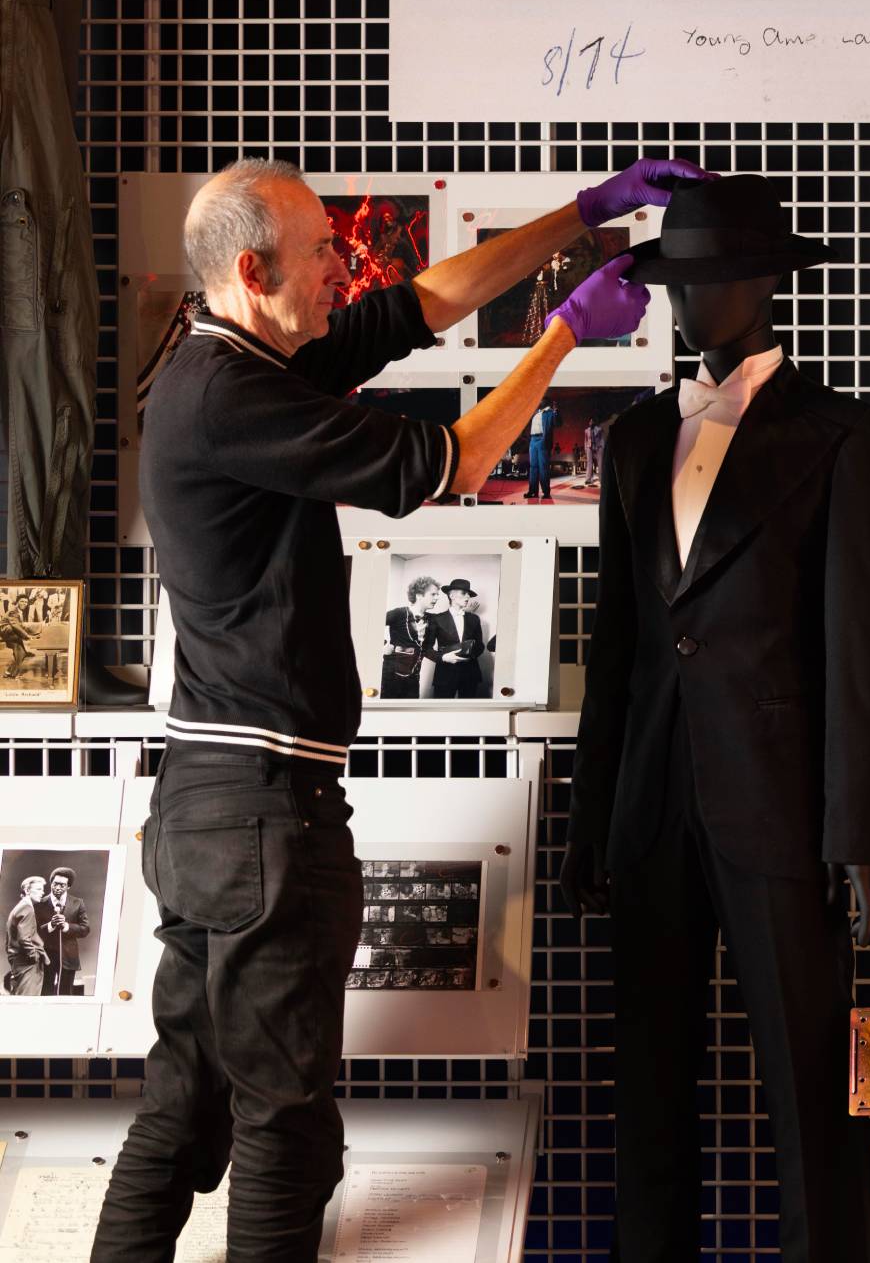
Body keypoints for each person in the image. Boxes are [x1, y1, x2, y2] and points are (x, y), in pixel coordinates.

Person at [94, 152, 706, 1261]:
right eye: (323, 250)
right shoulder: (232, 394)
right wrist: (566, 334)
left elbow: (422, 304)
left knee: (184, 1113)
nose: (345, 265)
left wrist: (580, 212)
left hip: (210, 805)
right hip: (261, 810)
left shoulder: (235, 359)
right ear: (251, 267)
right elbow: (458, 461)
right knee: (283, 1127)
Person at [561, 174, 870, 1263]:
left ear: (755, 287)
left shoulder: (842, 437)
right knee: (648, 1096)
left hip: (781, 807)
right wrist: (589, 817)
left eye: (699, 285)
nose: (680, 306)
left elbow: (856, 658)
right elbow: (616, 645)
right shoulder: (635, 439)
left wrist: (855, 834)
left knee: (808, 1092)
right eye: (671, 285)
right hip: (651, 806)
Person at [425, 578, 485, 699]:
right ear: (451, 595)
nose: (467, 597)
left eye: (469, 594)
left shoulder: (474, 619)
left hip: (470, 674)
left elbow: (480, 645)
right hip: (445, 674)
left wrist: (469, 655)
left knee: (468, 712)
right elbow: (426, 648)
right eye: (464, 593)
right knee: (441, 712)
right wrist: (443, 657)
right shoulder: (437, 619)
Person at [38, 865, 90, 996]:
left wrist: (67, 926)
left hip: (68, 957)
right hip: (46, 957)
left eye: (62, 885)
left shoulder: (78, 903)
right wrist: (50, 925)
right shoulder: (39, 903)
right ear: (51, 883)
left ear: (68, 887)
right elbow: (33, 931)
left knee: (65, 994)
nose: (57, 887)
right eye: (55, 884)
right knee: (45, 993)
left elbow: (85, 929)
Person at [381, 576, 436, 699]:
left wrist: (466, 614)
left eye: (437, 595)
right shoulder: (399, 613)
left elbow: (427, 649)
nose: (437, 598)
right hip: (391, 675)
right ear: (419, 595)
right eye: (433, 594)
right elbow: (369, 625)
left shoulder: (432, 619)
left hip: (414, 677)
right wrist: (384, 645)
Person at [4, 876, 48, 997]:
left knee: (22, 998)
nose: (43, 892)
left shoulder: (20, 907)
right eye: (38, 889)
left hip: (19, 961)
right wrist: (34, 956)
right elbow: (24, 938)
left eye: (42, 889)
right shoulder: (27, 908)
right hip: (27, 963)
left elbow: (9, 939)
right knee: (28, 1000)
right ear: (27, 891)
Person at [525, 399, 558, 500]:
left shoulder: (550, 412)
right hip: (533, 440)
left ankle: (546, 492)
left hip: (542, 439)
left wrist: (556, 411)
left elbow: (558, 423)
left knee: (543, 467)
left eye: (542, 400)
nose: (539, 401)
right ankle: (533, 491)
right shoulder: (537, 412)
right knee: (533, 467)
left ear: (546, 402)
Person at [582, 413, 605, 487]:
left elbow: (602, 439)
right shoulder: (586, 431)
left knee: (600, 464)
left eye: (592, 421)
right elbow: (585, 441)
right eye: (590, 421)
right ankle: (588, 479)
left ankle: (602, 479)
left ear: (594, 422)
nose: (591, 423)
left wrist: (602, 447)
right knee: (589, 463)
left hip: (598, 447)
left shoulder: (599, 429)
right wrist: (586, 448)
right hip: (590, 447)